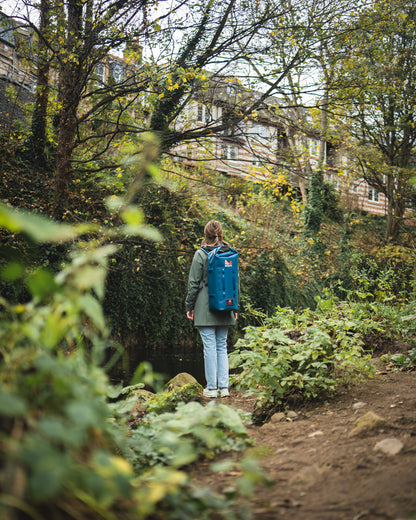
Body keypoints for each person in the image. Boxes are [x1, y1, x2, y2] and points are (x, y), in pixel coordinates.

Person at [185, 220, 237, 398]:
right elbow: (235, 281)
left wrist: (189, 306)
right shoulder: (230, 253)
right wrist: (235, 306)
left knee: (209, 347)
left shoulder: (200, 254)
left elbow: (193, 284)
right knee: (222, 346)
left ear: (205, 234)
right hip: (226, 306)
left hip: (204, 307)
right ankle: (224, 388)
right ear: (221, 233)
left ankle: (212, 389)